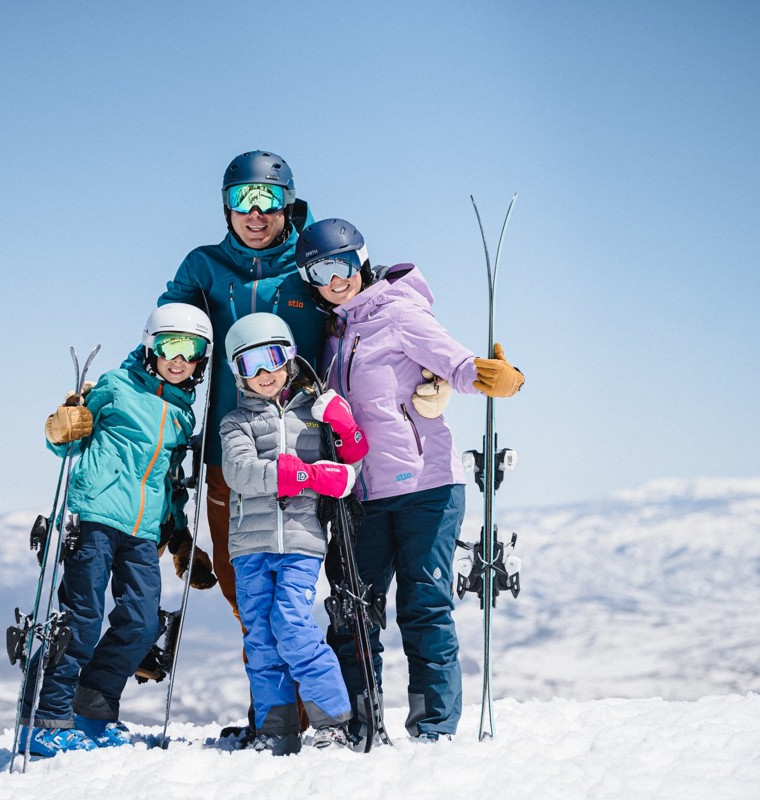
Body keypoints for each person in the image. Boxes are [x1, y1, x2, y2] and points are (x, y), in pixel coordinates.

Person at [295, 218, 526, 742]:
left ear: (362, 260)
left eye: (343, 264)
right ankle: (361, 724)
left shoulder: (399, 312)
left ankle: (433, 728)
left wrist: (494, 378)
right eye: (320, 272)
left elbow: (456, 363)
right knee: (352, 609)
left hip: (427, 487)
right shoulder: (334, 332)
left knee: (423, 607)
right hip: (362, 494)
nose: (336, 280)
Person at [157, 150, 327, 738]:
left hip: (312, 455)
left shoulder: (312, 265)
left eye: (268, 199)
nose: (255, 213)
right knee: (243, 588)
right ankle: (280, 715)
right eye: (242, 200)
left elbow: (366, 310)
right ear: (226, 207)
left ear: (288, 204)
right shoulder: (204, 267)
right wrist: (109, 394)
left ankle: (332, 708)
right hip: (230, 457)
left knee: (311, 594)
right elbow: (166, 339)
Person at [17, 303, 212, 757]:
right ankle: (46, 720)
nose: (178, 358)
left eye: (190, 349)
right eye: (170, 345)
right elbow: (69, 441)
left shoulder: (183, 414)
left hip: (143, 530)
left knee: (142, 624)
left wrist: (179, 536)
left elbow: (170, 482)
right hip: (95, 518)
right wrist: (62, 425)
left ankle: (93, 711)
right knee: (80, 621)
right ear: (150, 346)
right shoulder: (116, 385)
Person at [218, 313, 368, 754]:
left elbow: (351, 462)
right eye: (251, 364)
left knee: (292, 624)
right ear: (238, 372)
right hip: (250, 546)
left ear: (290, 358)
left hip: (301, 541)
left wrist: (343, 426)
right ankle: (276, 729)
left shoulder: (313, 415)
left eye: (273, 358)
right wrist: (306, 475)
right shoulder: (235, 423)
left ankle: (332, 722)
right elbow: (240, 472)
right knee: (260, 638)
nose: (265, 373)